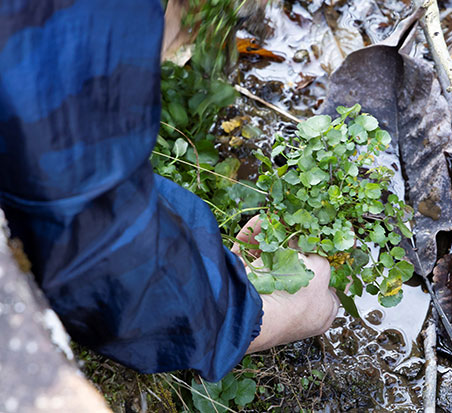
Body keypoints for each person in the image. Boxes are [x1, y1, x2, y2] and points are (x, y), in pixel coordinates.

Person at [0, 0, 337, 382]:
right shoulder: (81, 24)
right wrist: (255, 314)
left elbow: (81, 180)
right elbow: (100, 254)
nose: (173, 57)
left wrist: (209, 265)